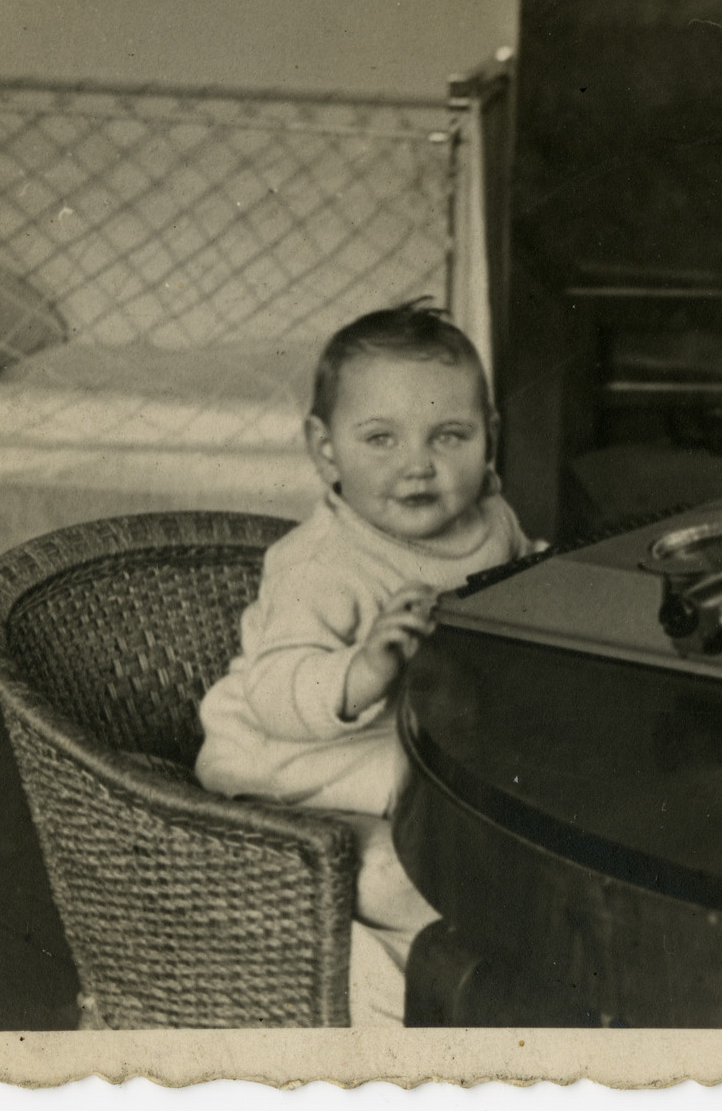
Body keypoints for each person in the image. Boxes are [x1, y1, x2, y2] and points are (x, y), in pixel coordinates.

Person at [196, 302, 535, 1026]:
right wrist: (363, 670)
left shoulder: (490, 521)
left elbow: (517, 587)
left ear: (491, 438)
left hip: (424, 754)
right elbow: (275, 691)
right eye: (380, 439)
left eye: (450, 435)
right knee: (395, 873)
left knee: (498, 845)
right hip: (297, 773)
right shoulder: (321, 564)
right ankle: (410, 991)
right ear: (325, 450)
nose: (418, 464)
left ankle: (487, 946)